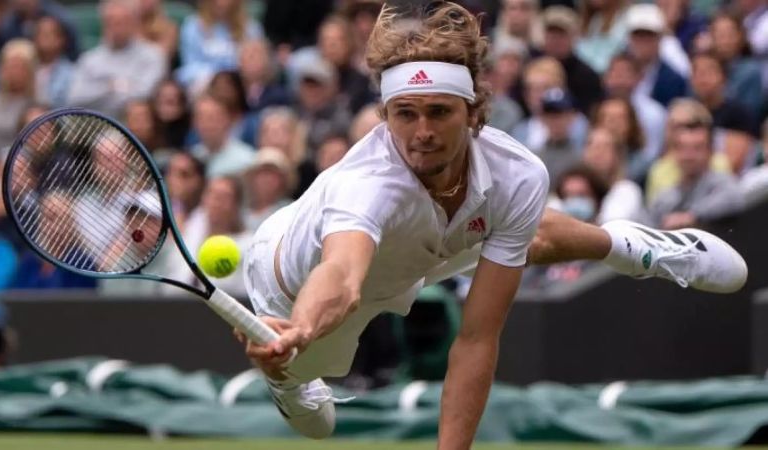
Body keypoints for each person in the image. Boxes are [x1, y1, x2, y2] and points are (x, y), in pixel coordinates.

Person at [234, 3, 748, 445]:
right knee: (315, 419)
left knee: (524, 231)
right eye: (405, 114)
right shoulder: (365, 186)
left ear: (473, 110)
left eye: (439, 112)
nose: (422, 132)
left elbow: (478, 338)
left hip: (415, 253)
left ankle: (635, 248)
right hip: (290, 294)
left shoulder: (517, 172)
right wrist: (298, 331)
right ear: (385, 115)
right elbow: (343, 275)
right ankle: (293, 382)